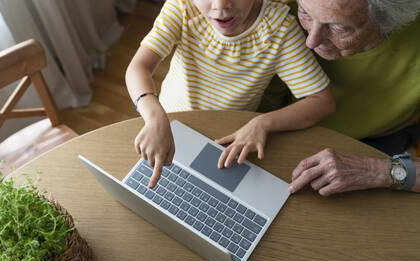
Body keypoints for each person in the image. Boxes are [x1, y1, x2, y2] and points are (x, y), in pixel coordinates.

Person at [125, 0, 335, 188]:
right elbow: (138, 68)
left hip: (229, 142)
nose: (220, 6)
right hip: (167, 126)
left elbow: (321, 101)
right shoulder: (182, 7)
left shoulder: (278, 29)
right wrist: (154, 116)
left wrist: (263, 123)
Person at [268, 0, 420, 195]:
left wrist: (377, 171)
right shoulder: (275, 10)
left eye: (338, 27)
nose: (311, 41)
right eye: (305, 13)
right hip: (282, 127)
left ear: (388, 20)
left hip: (374, 143)